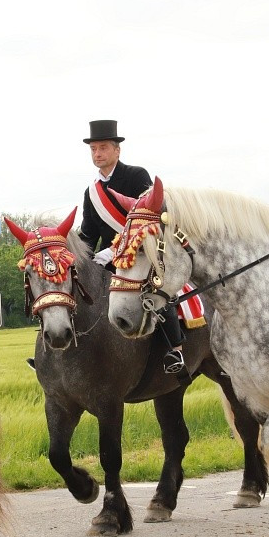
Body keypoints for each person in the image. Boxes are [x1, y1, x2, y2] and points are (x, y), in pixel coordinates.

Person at [78, 120, 185, 373]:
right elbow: (89, 235)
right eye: (93, 149)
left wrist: (114, 250)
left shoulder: (136, 176)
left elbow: (147, 219)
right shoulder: (90, 192)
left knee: (159, 291)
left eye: (103, 147)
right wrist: (81, 258)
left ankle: (175, 350)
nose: (97, 153)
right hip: (108, 261)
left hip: (141, 253)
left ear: (117, 150)